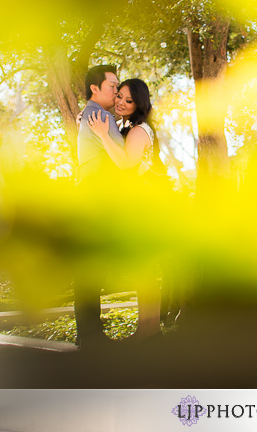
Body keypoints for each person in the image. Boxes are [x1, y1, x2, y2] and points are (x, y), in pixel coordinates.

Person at [88, 78, 164, 338]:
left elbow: (127, 165)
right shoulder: (128, 127)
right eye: (118, 95)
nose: (120, 102)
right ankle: (149, 330)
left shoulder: (138, 130)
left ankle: (148, 332)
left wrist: (100, 134)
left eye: (128, 100)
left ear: (138, 104)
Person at [74, 64, 122, 348]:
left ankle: (90, 333)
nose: (116, 90)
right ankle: (91, 335)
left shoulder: (92, 113)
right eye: (112, 85)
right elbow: (125, 156)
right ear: (95, 88)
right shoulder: (99, 115)